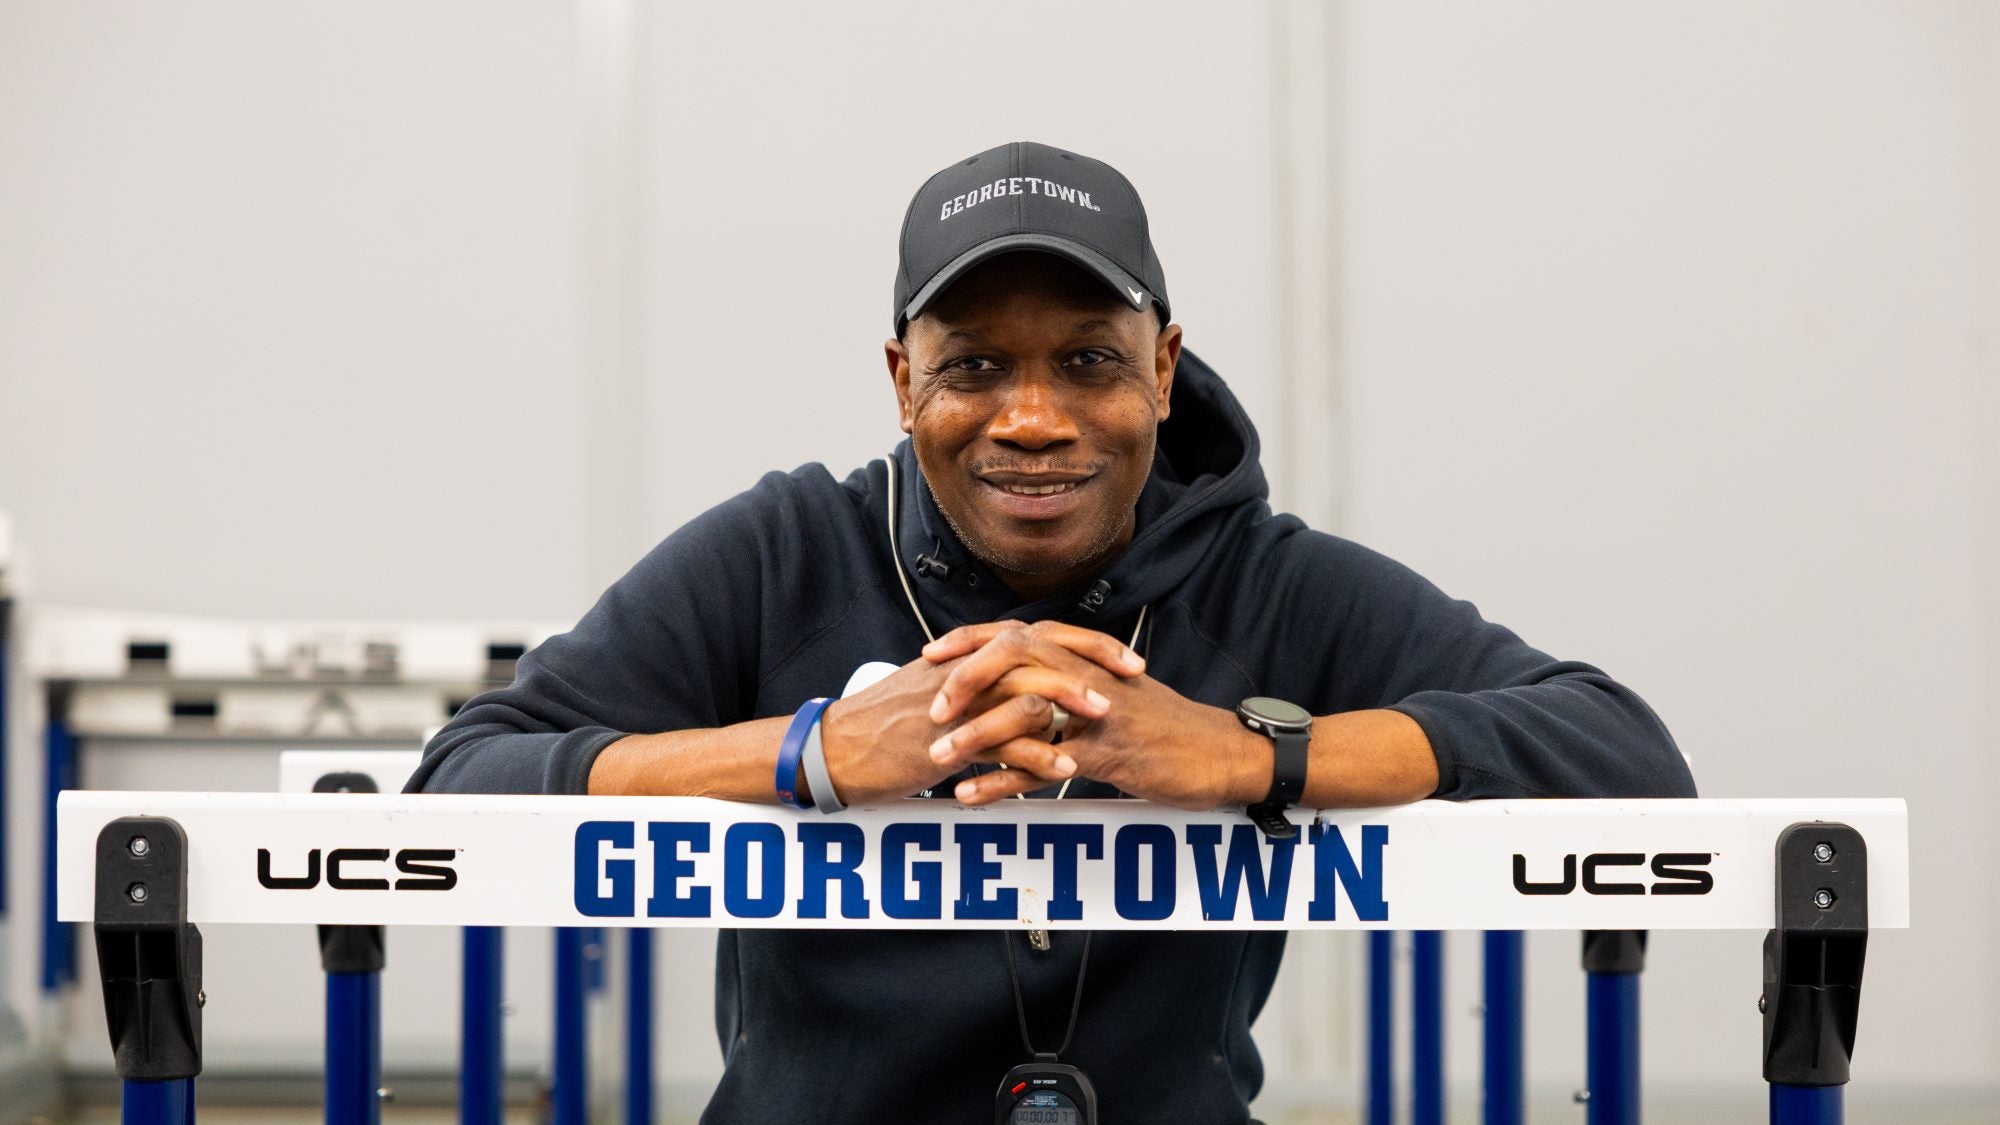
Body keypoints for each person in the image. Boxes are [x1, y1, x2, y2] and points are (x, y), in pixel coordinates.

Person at [410, 140, 1695, 1124]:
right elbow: (461, 784)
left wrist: (1250, 755)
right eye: (973, 365)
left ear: (1163, 369)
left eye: (1087, 361)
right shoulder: (783, 550)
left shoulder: (1266, 581)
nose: (1031, 419)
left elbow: (1618, 754)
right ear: (902, 380)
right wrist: (808, 753)